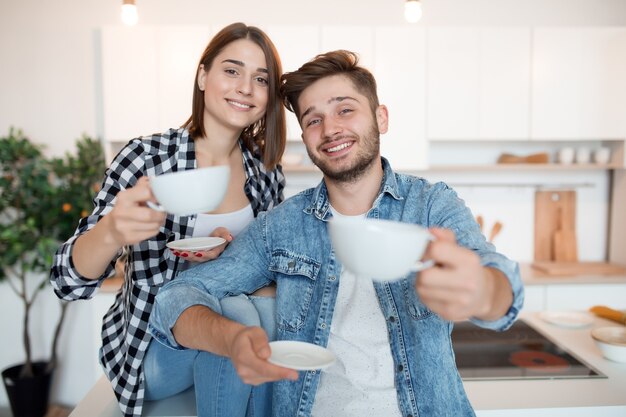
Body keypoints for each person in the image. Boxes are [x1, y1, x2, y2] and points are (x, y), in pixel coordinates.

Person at [148, 50, 524, 417]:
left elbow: (500, 283)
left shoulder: (429, 206)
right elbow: (176, 296)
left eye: (345, 109)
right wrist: (229, 340)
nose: (330, 129)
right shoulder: (282, 226)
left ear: (381, 117)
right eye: (313, 120)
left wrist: (480, 290)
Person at [50, 22, 286, 417]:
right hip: (151, 352)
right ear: (202, 75)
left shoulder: (265, 173)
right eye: (231, 70)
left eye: (260, 79)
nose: (245, 87)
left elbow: (266, 267)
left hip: (222, 349)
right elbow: (66, 283)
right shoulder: (147, 158)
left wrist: (233, 263)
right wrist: (111, 231)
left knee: (246, 312)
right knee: (235, 313)